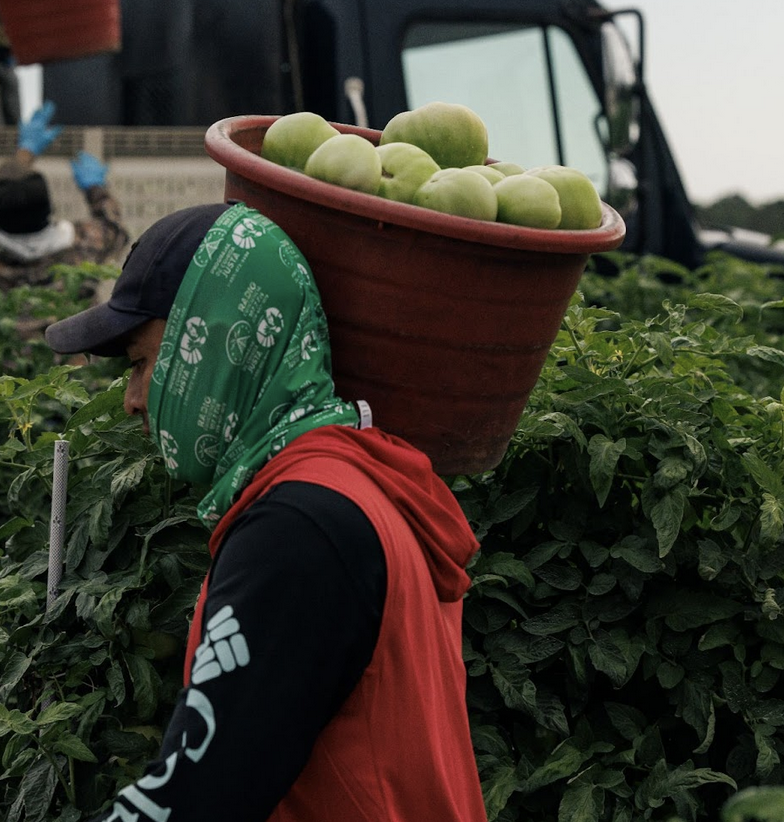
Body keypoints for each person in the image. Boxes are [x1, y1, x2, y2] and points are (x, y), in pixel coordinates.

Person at [44, 202, 489, 822]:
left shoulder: (298, 529)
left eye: (142, 363)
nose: (132, 401)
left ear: (217, 343)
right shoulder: (353, 483)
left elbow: (196, 798)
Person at [0, 101, 127, 297]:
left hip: (3, 328)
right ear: (49, 208)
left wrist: (24, 154)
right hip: (69, 328)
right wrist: (95, 188)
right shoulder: (84, 245)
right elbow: (115, 229)